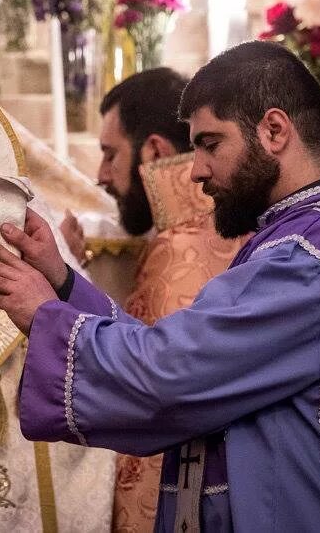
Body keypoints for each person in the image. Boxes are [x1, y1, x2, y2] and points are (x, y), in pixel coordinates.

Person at [0, 41, 320, 531]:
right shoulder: (305, 237)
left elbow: (171, 374)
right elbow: (186, 353)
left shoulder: (312, 255)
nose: (195, 170)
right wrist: (63, 281)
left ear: (274, 130)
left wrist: (43, 313)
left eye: (210, 144)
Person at [95, 68, 247, 530]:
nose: (100, 176)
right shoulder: (252, 224)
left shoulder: (177, 248)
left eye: (109, 155)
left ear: (155, 151)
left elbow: (150, 404)